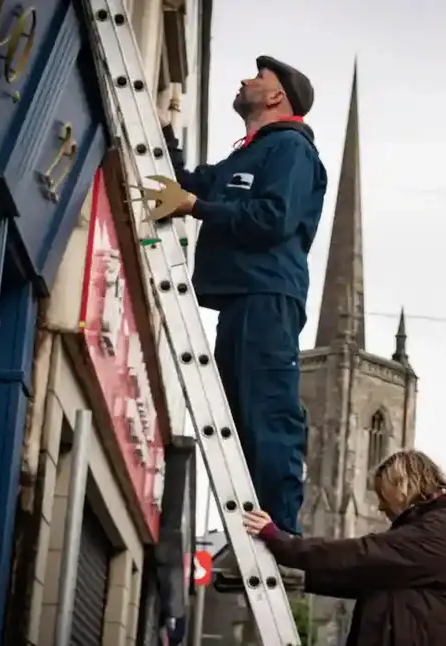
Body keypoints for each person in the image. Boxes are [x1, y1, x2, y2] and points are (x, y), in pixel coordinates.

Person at [158, 56, 327, 536]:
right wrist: (165, 133)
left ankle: (282, 529)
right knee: (238, 413)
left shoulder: (292, 151)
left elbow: (272, 219)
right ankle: (252, 522)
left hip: (268, 294)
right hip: (240, 296)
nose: (245, 80)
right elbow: (185, 186)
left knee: (268, 409)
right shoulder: (245, 156)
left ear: (276, 96)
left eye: (258, 77)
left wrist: (197, 207)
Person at [242, 450, 446, 646]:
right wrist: (300, 576)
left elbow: (364, 554)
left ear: (402, 487)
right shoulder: (441, 526)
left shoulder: (445, 528)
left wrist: (282, 543)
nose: (380, 506)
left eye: (382, 495)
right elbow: (370, 576)